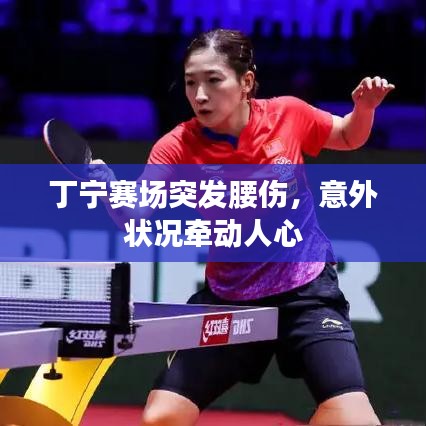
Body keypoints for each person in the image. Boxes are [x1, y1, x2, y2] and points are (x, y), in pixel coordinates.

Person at [92, 28, 394, 425]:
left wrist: (364, 109)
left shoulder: (287, 114)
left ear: (246, 82)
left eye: (213, 80)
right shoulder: (177, 146)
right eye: (190, 83)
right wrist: (105, 187)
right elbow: (135, 215)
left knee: (354, 420)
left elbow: (347, 136)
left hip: (305, 294)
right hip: (230, 300)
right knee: (161, 417)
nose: (200, 95)